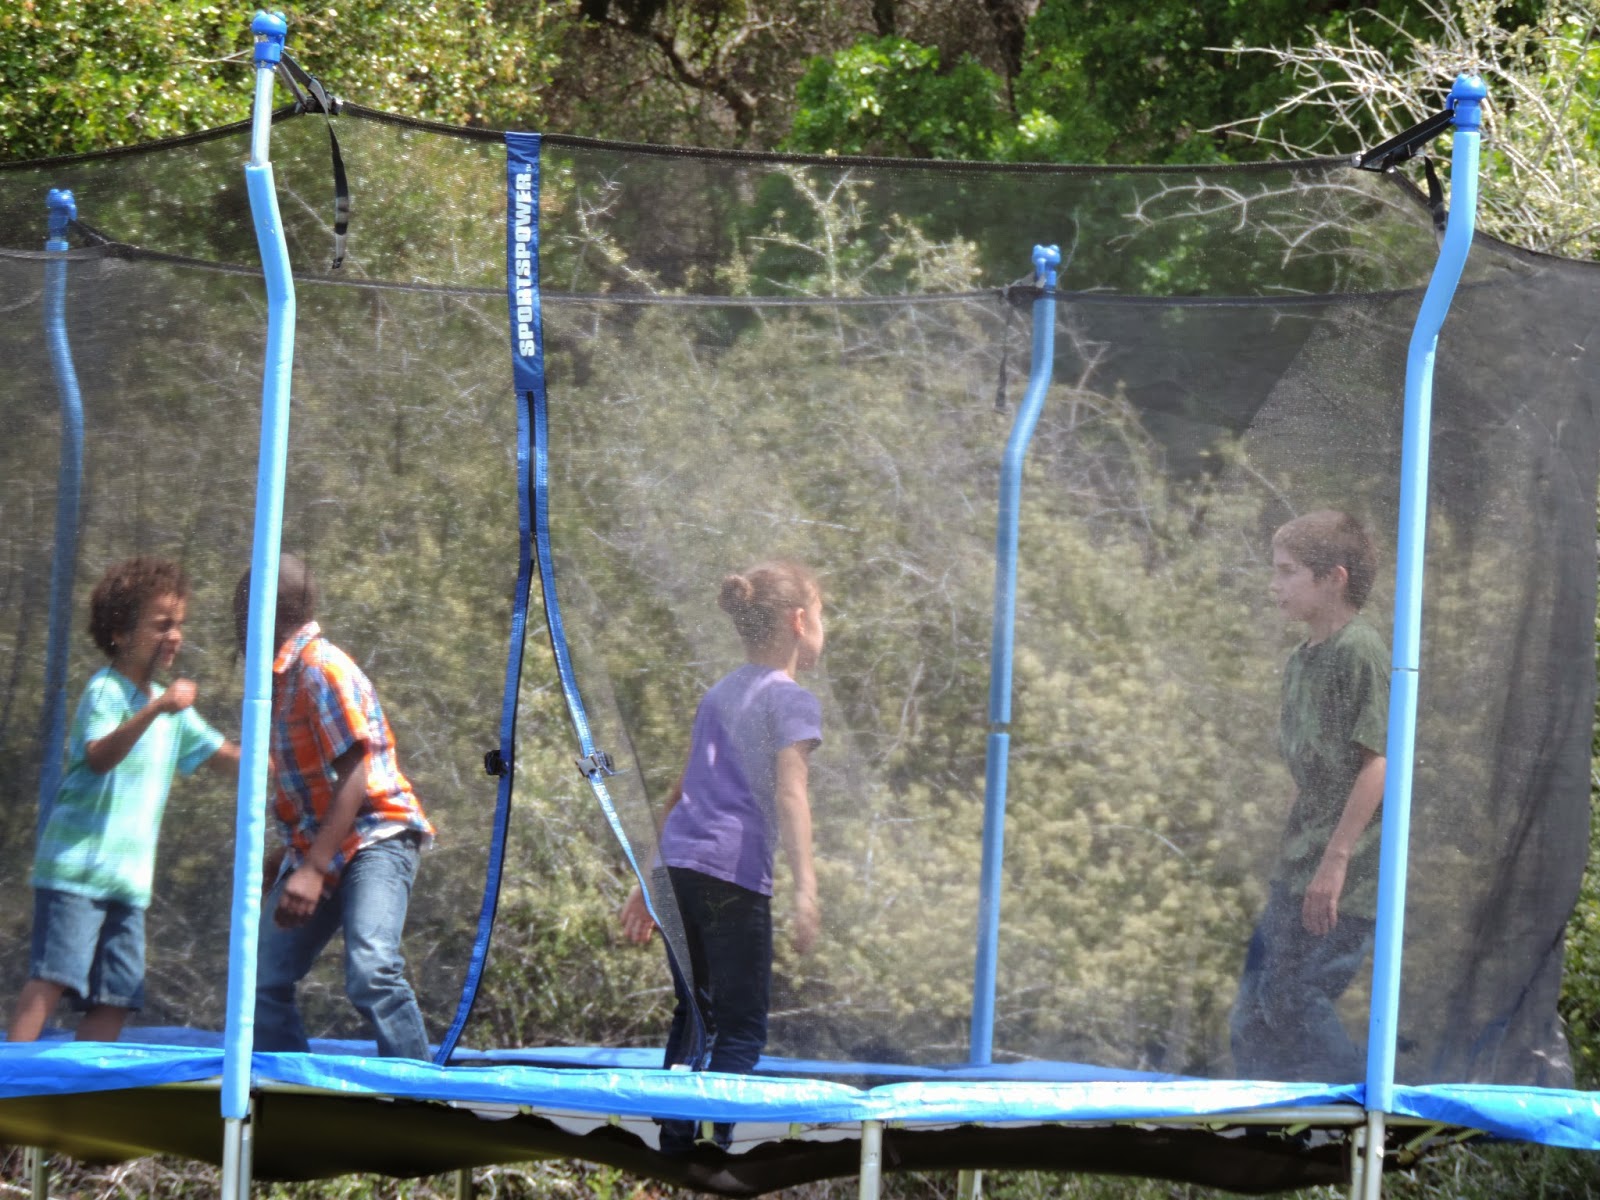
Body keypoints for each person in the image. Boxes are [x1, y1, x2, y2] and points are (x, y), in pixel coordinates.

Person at [620, 560, 824, 1153]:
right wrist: (806, 890)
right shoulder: (791, 700)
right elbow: (792, 793)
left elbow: (679, 790)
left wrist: (646, 880)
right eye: (823, 615)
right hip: (728, 875)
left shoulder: (719, 692)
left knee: (694, 1011)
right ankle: (711, 1147)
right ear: (799, 621)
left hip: (677, 868)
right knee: (741, 1029)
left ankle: (675, 1142)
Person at [8, 556, 239, 1044]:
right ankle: (11, 1077)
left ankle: (81, 1084)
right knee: (53, 976)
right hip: (76, 874)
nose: (174, 636)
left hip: (128, 885)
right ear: (120, 632)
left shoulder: (173, 711)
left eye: (179, 624)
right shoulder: (106, 691)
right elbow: (99, 757)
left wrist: (294, 757)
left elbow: (227, 758)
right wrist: (156, 708)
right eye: (162, 625)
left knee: (117, 997)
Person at [238, 554, 434, 1060]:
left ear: (269, 610)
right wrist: (292, 858)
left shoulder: (320, 669)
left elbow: (354, 777)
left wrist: (313, 869)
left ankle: (421, 1094)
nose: (238, 623)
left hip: (376, 835)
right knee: (258, 977)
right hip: (321, 845)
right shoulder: (278, 681)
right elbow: (310, 786)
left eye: (244, 609)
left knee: (372, 969)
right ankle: (291, 1092)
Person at [1230, 510, 1390, 1082]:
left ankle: (1359, 1108)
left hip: (1345, 869)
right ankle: (1268, 1124)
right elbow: (1316, 763)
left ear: (1334, 579)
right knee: (1254, 1012)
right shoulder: (1301, 660)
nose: (1274, 584)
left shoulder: (1360, 650)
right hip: (1300, 861)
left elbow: (1378, 762)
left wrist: (1335, 859)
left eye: (1288, 571)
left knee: (1297, 997)